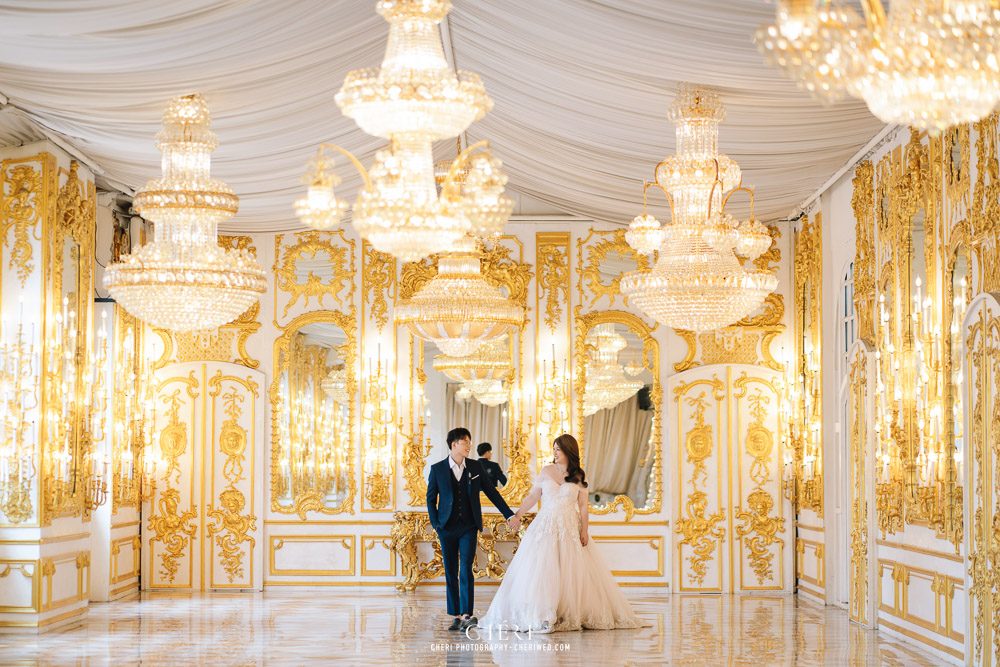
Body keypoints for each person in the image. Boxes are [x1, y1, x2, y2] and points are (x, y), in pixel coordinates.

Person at [479, 434, 642, 634]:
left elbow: (583, 506)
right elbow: (533, 496)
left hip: (569, 527)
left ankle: (567, 612)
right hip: (545, 525)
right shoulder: (546, 471)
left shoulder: (580, 475)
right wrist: (517, 515)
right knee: (543, 569)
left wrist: (584, 530)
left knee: (570, 571)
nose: (554, 453)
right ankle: (543, 613)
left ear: (569, 451)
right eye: (554, 449)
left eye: (558, 449)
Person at [427, 427, 519, 632]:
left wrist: (509, 514)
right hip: (446, 527)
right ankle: (456, 616)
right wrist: (436, 524)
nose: (469, 445)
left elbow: (493, 493)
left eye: (469, 442)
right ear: (454, 445)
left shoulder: (476, 467)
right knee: (450, 570)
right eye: (465, 442)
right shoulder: (437, 469)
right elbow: (430, 499)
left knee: (466, 568)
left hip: (469, 526)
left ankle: (468, 615)